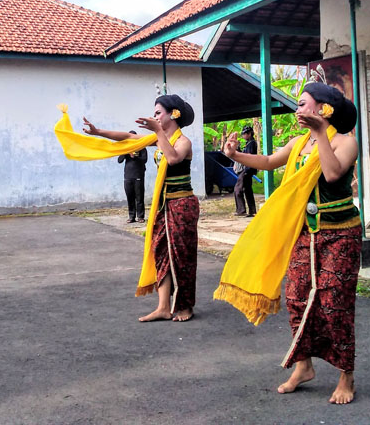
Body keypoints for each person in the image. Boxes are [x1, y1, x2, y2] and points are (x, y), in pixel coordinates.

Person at [219, 82, 360, 404]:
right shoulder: (298, 143)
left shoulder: (345, 142)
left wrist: (321, 133)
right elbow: (270, 161)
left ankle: (346, 375)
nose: (298, 110)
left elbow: (333, 174)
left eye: (303, 104)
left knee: (334, 304)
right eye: (298, 105)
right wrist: (235, 155)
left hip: (340, 234)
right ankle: (303, 366)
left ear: (324, 109)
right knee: (296, 298)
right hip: (303, 232)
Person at [55, 94, 199, 322]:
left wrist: (158, 132)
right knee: (161, 252)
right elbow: (127, 137)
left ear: (174, 114)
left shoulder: (183, 142)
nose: (154, 117)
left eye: (158, 113)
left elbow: (172, 159)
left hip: (182, 204)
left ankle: (185, 306)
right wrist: (98, 132)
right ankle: (163, 307)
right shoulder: (157, 138)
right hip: (163, 204)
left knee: (182, 255)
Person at [118, 131, 147, 223]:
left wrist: (134, 157)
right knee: (130, 197)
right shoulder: (126, 148)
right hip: (128, 176)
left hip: (138, 175)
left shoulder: (141, 147)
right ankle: (131, 217)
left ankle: (140, 217)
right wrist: (125, 151)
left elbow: (144, 160)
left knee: (139, 197)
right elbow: (119, 160)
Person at [233, 125, 257, 217]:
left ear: (249, 134)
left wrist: (247, 170)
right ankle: (252, 210)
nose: (243, 136)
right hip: (248, 169)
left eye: (245, 134)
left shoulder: (251, 144)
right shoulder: (249, 143)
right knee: (247, 190)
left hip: (247, 169)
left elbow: (248, 157)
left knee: (238, 189)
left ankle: (241, 210)